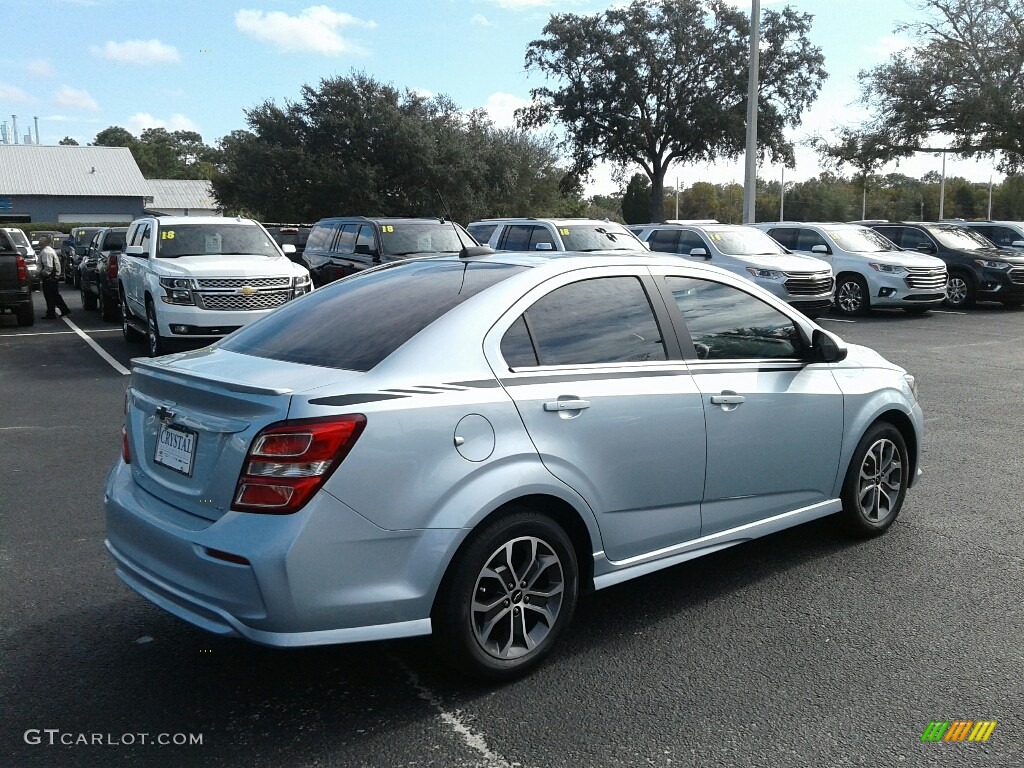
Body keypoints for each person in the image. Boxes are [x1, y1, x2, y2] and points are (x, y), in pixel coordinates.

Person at [38, 235, 71, 319]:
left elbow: (49, 266)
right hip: (53, 277)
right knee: (53, 295)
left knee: (50, 295)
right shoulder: (49, 251)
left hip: (49, 278)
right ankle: (53, 312)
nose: (39, 242)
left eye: (41, 241)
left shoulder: (46, 252)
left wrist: (43, 273)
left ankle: (57, 311)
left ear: (45, 242)